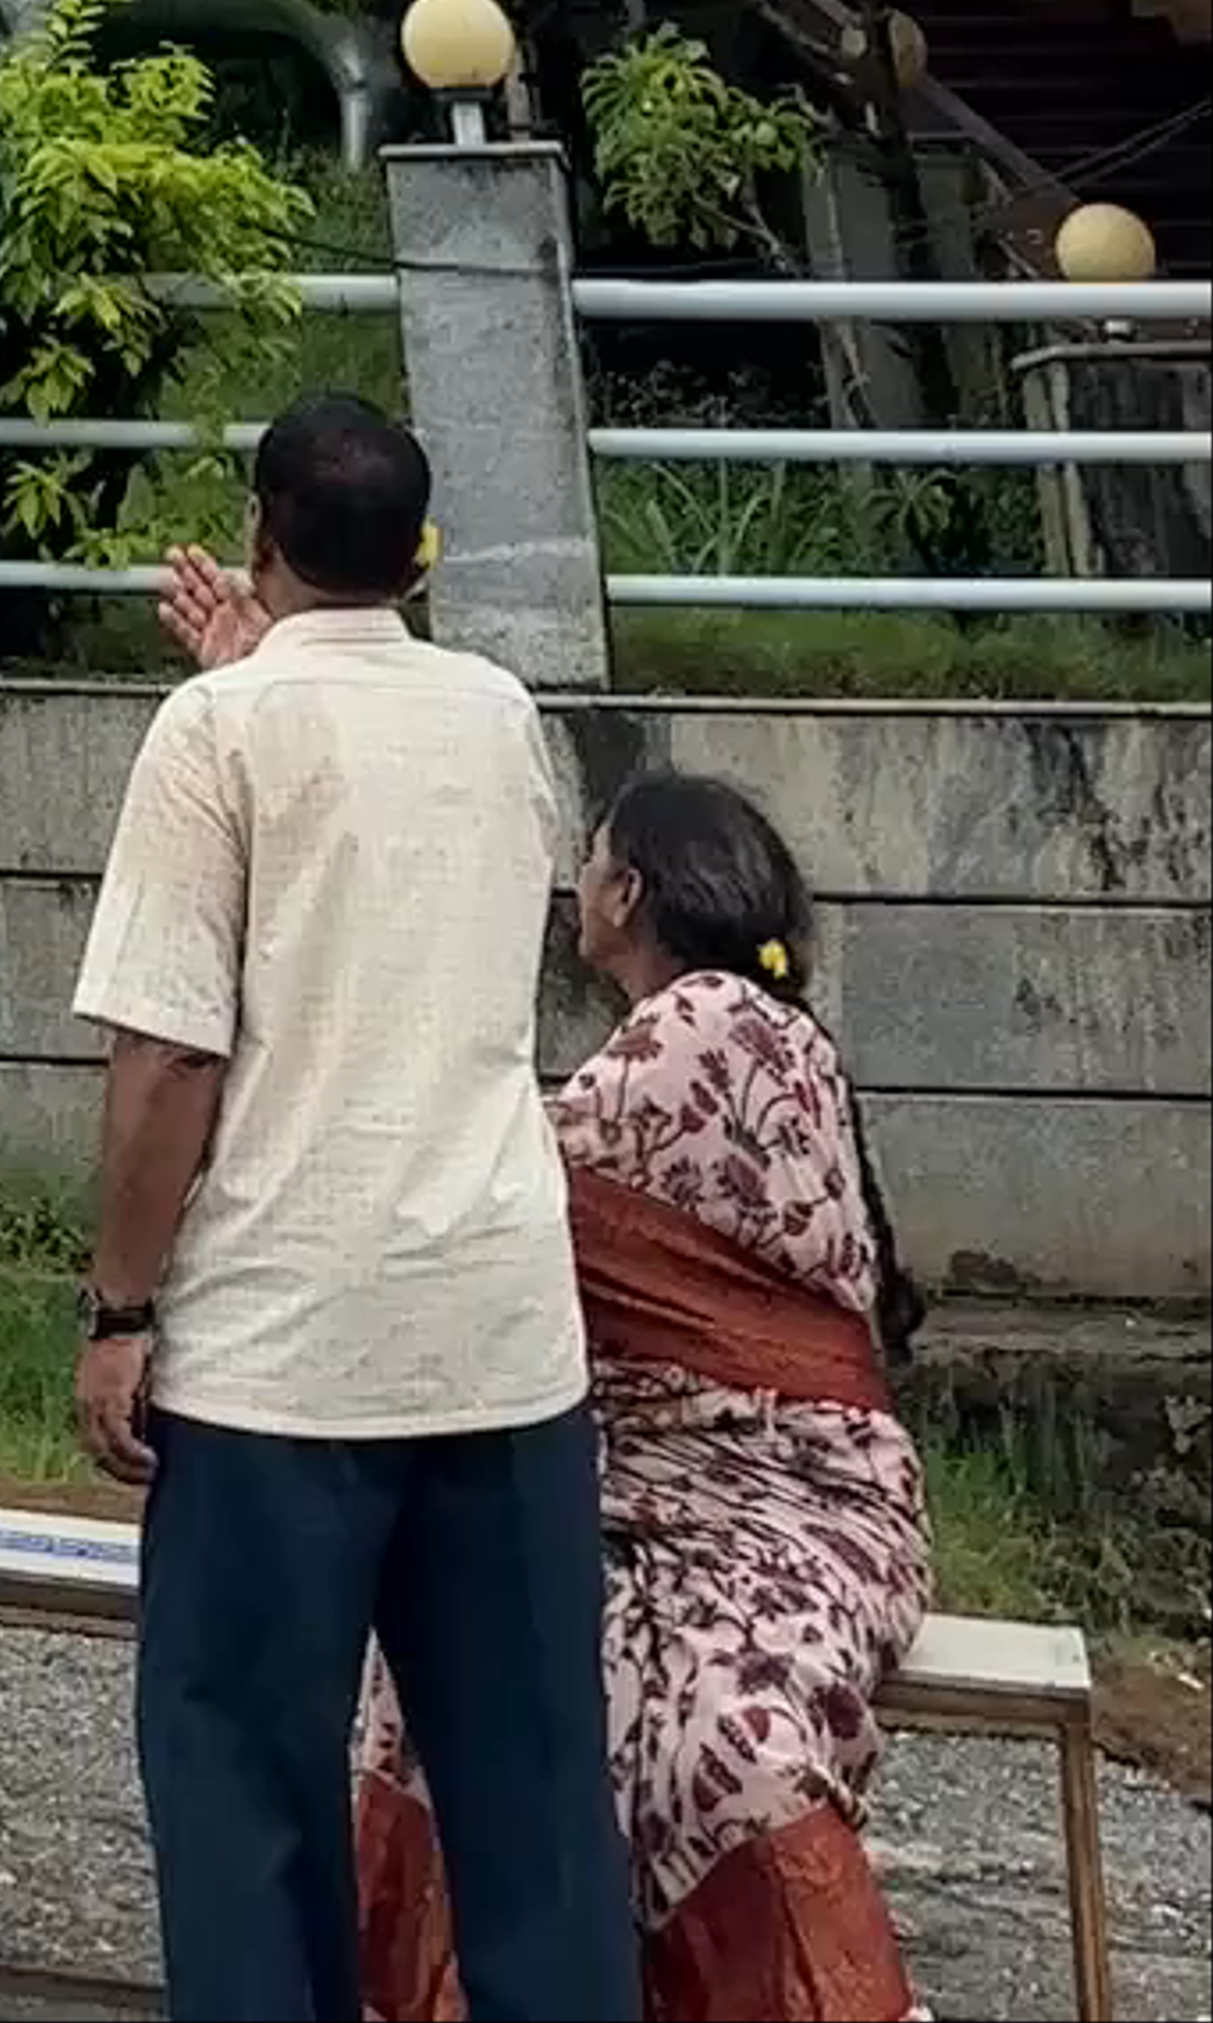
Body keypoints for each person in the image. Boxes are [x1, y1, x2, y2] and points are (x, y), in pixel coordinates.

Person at [70, 394, 639, 2023]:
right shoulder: (499, 715)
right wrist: (266, 665)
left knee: (244, 1794)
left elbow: (171, 1057)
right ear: (420, 553)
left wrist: (120, 1305)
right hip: (500, 1338)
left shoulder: (213, 733)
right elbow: (384, 834)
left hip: (283, 1351)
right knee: (537, 1802)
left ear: (260, 531)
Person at [338, 764, 932, 2023]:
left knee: (726, 1734)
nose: (574, 883)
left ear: (630, 889)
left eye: (590, 856)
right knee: (479, 1672)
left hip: (778, 1492)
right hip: (648, 1489)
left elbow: (508, 1187)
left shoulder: (709, 1023)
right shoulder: (741, 1024)